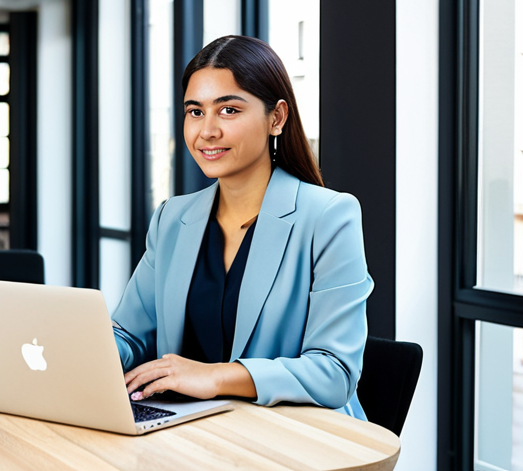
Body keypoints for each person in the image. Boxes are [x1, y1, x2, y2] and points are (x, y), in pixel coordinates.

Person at [111, 35, 373, 419]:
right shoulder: (173, 219)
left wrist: (216, 377)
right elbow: (131, 334)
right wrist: (83, 349)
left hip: (294, 440)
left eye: (228, 110)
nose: (207, 131)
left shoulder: (329, 216)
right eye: (195, 112)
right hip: (190, 432)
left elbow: (334, 373)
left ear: (277, 117)